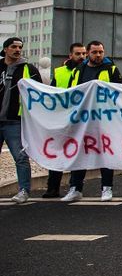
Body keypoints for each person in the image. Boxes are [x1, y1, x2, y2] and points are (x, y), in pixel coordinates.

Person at [60, 41, 122, 202]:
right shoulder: (78, 71)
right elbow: (71, 93)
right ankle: (75, 188)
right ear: (88, 53)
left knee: (105, 152)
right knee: (79, 152)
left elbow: (121, 93)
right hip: (83, 119)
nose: (98, 55)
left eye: (101, 52)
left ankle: (106, 188)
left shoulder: (111, 70)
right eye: (95, 52)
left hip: (104, 119)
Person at [43, 42, 87, 198]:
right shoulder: (60, 72)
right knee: (57, 152)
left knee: (78, 153)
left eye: (84, 54)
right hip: (62, 118)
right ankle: (53, 187)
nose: (81, 57)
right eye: (78, 54)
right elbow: (53, 94)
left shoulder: (88, 71)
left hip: (81, 119)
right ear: (70, 56)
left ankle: (75, 187)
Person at [0, 37, 42, 203]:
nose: (17, 50)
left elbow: (40, 92)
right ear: (5, 49)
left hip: (15, 121)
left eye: (20, 47)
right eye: (13, 47)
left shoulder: (29, 69)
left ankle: (24, 190)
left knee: (21, 157)